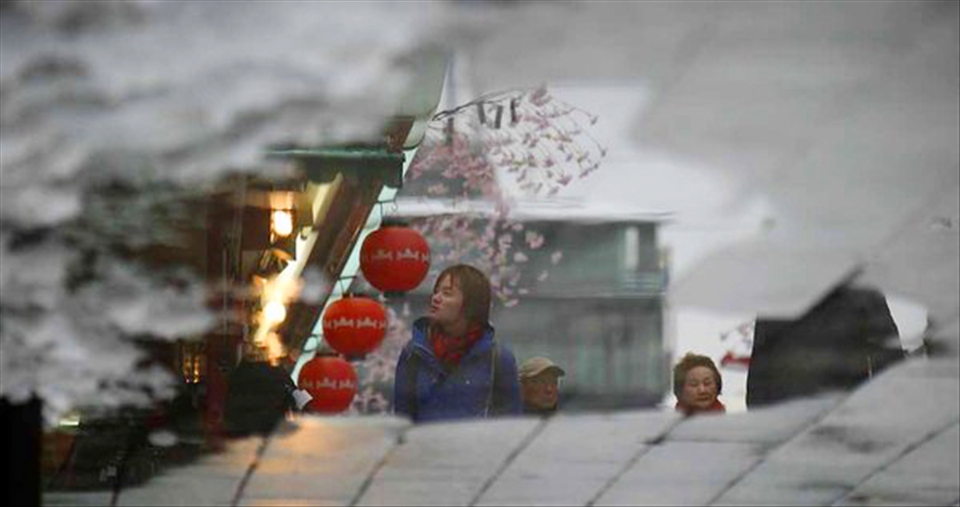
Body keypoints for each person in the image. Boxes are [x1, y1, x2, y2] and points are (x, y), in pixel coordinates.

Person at [394, 264, 522, 423]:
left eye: (447, 293)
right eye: (436, 291)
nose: (436, 298)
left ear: (470, 304)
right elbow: (402, 418)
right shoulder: (414, 353)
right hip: (425, 445)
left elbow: (509, 424)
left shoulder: (498, 358)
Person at [673, 353, 725, 417]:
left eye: (707, 383)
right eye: (694, 384)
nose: (702, 390)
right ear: (680, 390)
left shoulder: (729, 423)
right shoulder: (669, 424)